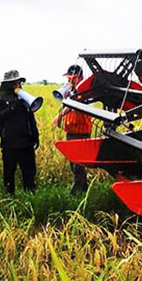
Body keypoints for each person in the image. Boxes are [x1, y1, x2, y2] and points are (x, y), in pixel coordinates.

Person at [0, 70, 39, 194]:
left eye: (19, 82)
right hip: (9, 143)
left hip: (26, 142)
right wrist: (12, 108)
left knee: (29, 172)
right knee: (9, 173)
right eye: (15, 82)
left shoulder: (24, 97)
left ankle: (30, 195)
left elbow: (30, 118)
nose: (17, 85)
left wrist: (35, 135)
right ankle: (9, 197)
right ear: (7, 84)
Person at [53, 65, 92, 195]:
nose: (70, 81)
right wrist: (60, 117)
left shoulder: (87, 91)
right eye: (69, 78)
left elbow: (78, 105)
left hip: (82, 131)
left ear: (80, 78)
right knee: (73, 163)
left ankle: (76, 192)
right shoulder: (70, 91)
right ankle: (83, 188)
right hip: (71, 130)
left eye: (72, 78)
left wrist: (60, 115)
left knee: (78, 165)